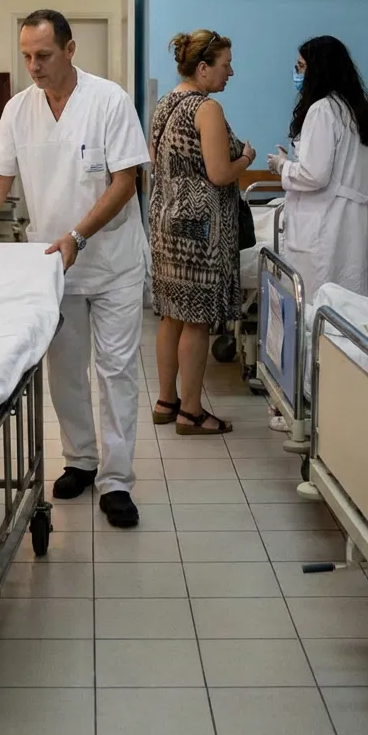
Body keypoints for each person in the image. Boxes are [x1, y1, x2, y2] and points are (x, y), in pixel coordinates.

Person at [0, 8, 149, 529]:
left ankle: (116, 480)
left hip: (113, 259)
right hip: (54, 263)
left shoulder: (109, 101)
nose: (33, 65)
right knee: (64, 371)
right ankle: (81, 460)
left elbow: (125, 184)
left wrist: (79, 234)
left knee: (116, 370)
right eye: (26, 55)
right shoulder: (19, 110)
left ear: (70, 50)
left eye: (43, 55)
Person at [150, 30, 255, 436]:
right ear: (203, 67)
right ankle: (191, 412)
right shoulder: (206, 108)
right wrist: (245, 156)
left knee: (172, 314)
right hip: (199, 228)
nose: (231, 72)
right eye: (226, 65)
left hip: (166, 221)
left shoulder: (165, 104)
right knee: (195, 320)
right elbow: (219, 173)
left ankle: (166, 401)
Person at [267, 35, 368, 303]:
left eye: (301, 67)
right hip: (350, 222)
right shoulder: (355, 110)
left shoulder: (323, 110)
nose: (297, 74)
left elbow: (315, 175)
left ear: (319, 69)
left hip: (326, 223)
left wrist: (282, 165)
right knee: (349, 302)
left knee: (317, 301)